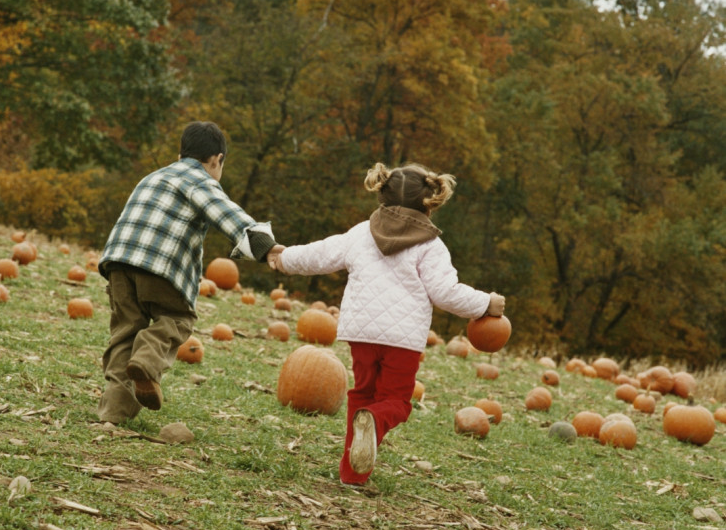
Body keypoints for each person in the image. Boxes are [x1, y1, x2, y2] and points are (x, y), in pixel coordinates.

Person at [271, 162, 505, 485]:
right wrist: (485, 303)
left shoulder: (360, 234)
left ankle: (353, 473)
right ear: (428, 203)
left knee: (362, 393)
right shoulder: (431, 246)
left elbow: (320, 254)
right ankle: (374, 421)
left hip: (361, 333)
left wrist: (283, 258)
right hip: (403, 340)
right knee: (396, 403)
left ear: (383, 196)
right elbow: (445, 293)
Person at [96, 121, 284, 424]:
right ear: (217, 159)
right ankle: (147, 360)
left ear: (180, 152)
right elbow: (228, 215)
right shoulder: (199, 180)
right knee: (178, 319)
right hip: (160, 267)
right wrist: (265, 245)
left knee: (125, 333)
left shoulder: (153, 177)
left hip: (118, 262)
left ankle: (113, 415)